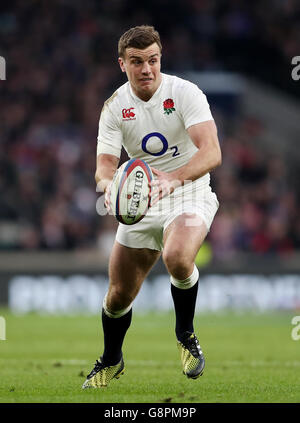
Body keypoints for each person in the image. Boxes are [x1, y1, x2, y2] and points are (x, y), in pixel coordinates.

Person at [82, 25, 221, 389]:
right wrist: (110, 188)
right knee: (118, 296)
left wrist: (173, 180)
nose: (147, 69)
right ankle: (112, 359)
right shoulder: (114, 107)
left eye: (153, 60)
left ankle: (186, 334)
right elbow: (104, 167)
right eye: (137, 62)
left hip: (188, 190)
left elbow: (212, 152)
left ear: (161, 60)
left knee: (177, 257)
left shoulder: (185, 92)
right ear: (122, 64)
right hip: (143, 198)